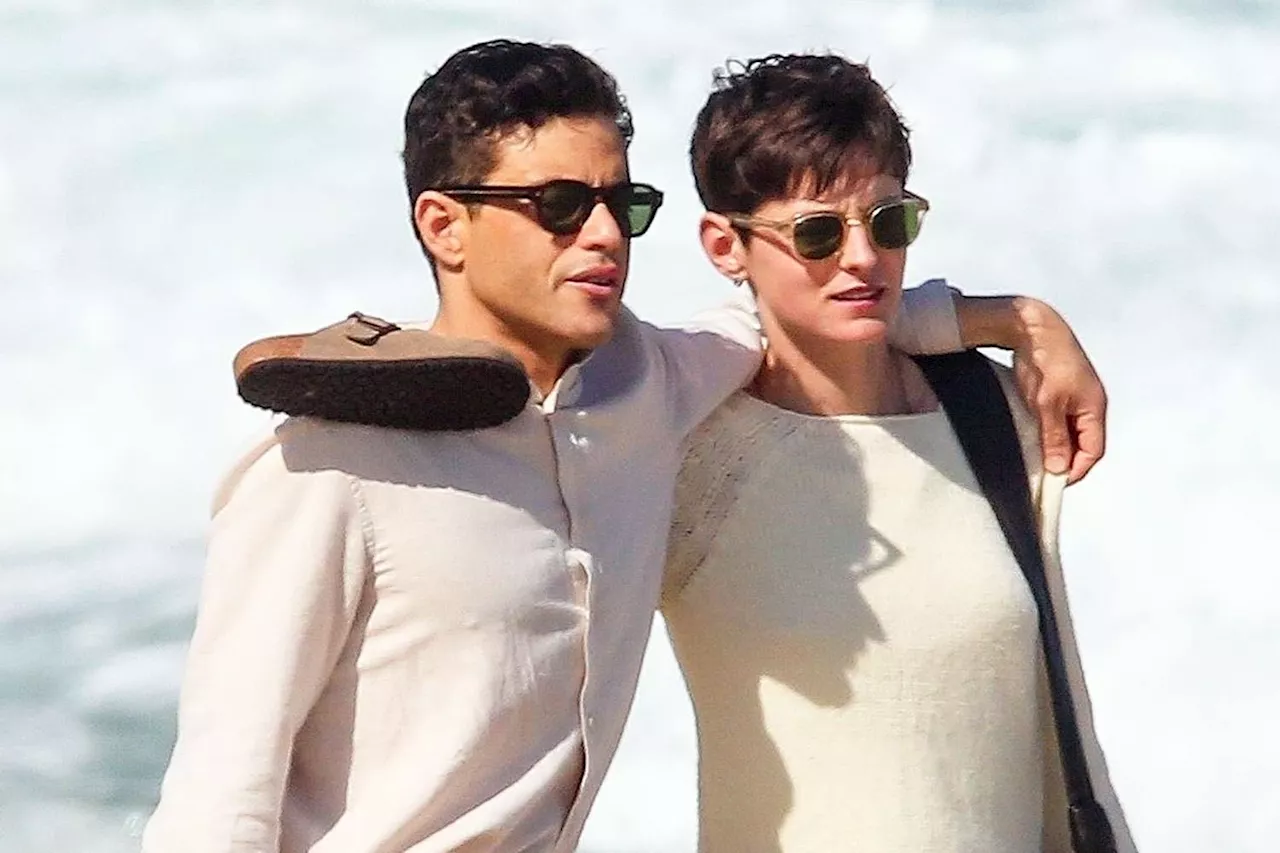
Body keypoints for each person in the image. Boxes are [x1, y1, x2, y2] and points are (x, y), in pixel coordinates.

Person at [142, 40, 1109, 852]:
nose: (604, 234)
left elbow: (800, 311)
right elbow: (217, 796)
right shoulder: (328, 460)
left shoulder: (642, 396)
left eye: (620, 204)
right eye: (560, 205)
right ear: (444, 225)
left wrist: (1014, 318)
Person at [658, 53, 1135, 852]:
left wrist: (1018, 320)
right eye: (815, 231)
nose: (860, 257)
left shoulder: (996, 414)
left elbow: (1059, 738)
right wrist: (1005, 315)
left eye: (888, 222)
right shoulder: (687, 450)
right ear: (723, 244)